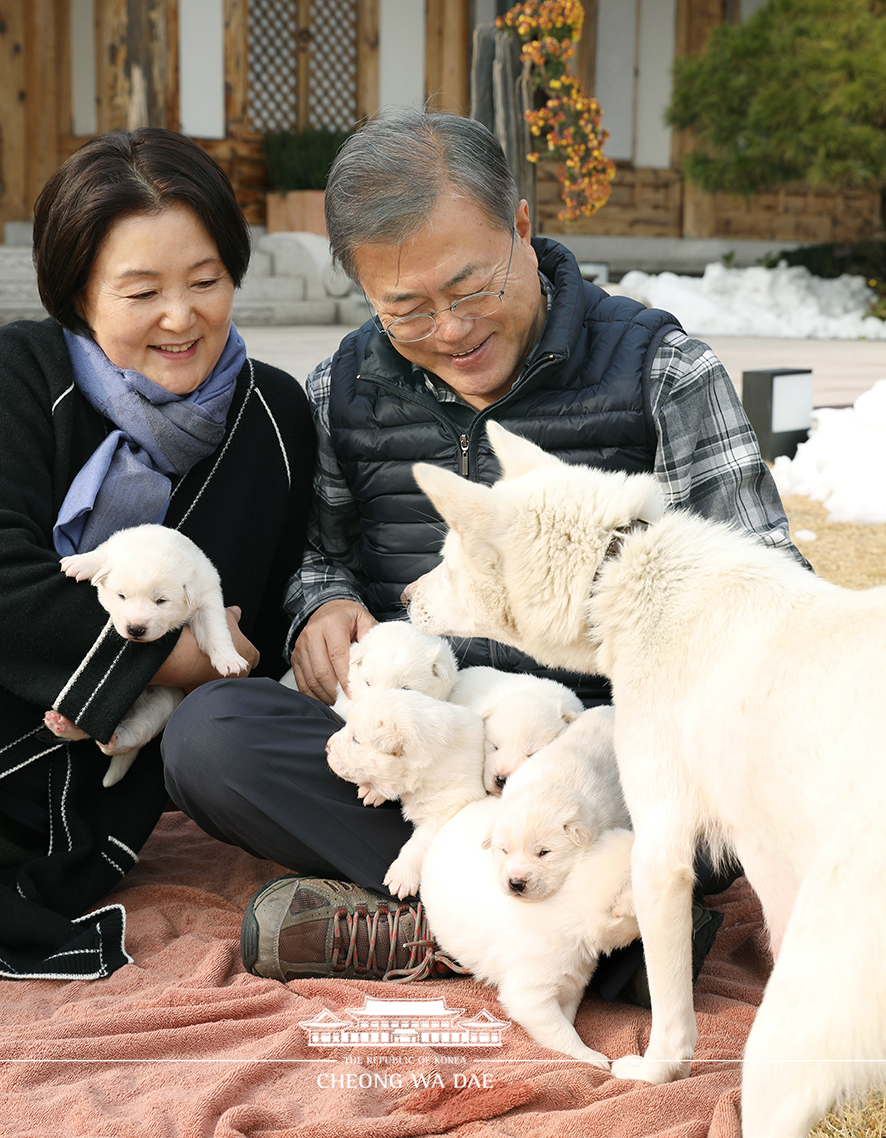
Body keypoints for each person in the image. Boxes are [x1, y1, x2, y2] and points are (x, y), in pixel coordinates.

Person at [161, 110, 806, 986]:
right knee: (209, 738)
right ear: (363, 295)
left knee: (718, 773)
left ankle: (440, 927)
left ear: (523, 229)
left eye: (471, 289)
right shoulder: (341, 389)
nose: (452, 329)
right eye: (408, 309)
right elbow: (316, 552)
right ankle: (590, 937)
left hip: (608, 751)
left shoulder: (660, 371)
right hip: (430, 739)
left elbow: (771, 594)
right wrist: (322, 604)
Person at [0, 128, 314, 980]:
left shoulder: (275, 419)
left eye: (206, 280)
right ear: (78, 289)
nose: (181, 316)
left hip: (74, 777)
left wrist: (208, 661)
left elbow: (257, 614)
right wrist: (173, 654)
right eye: (141, 290)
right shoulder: (13, 368)